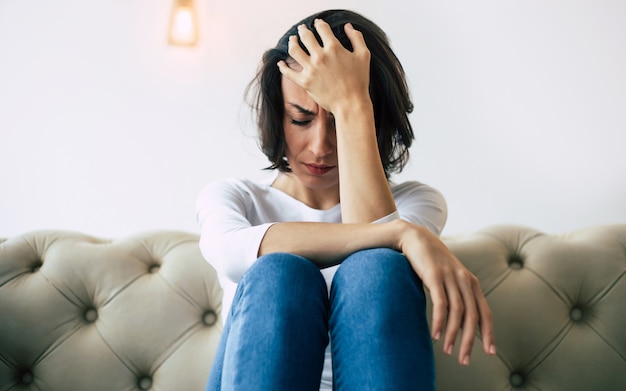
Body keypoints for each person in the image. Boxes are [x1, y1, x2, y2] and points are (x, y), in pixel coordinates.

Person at [196, 9, 495, 391]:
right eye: (300, 119)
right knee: (280, 272)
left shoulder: (418, 202)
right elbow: (232, 253)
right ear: (277, 114)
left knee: (377, 269)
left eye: (339, 121)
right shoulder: (233, 199)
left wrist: (354, 102)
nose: (320, 146)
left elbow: (375, 269)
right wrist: (399, 233)